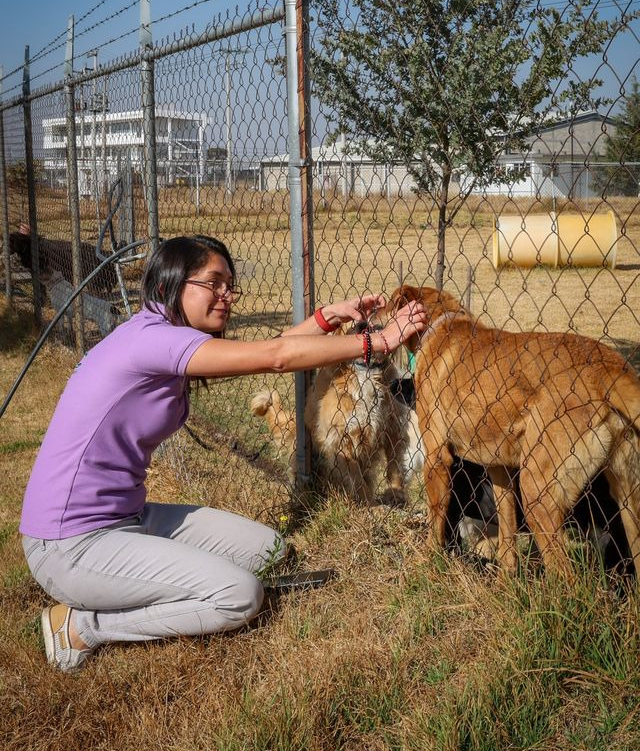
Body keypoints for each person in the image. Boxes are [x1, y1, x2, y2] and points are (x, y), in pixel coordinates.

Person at [20, 235, 426, 672]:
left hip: (128, 519)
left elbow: (265, 350)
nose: (227, 296)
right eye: (214, 282)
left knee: (269, 551)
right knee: (239, 595)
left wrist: (327, 318)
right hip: (69, 542)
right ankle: (82, 626)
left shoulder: (164, 336)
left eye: (230, 285)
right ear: (169, 285)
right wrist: (378, 342)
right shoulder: (151, 341)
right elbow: (275, 357)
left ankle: (145, 580)